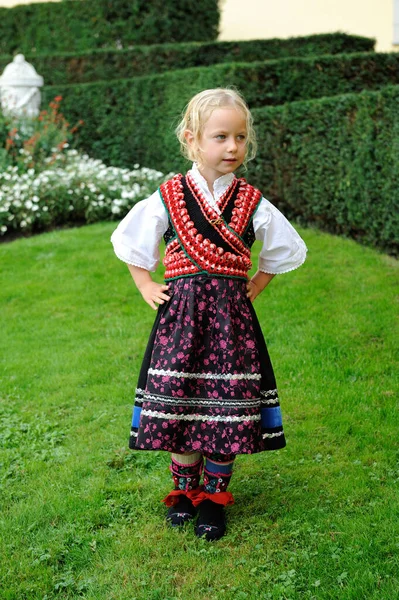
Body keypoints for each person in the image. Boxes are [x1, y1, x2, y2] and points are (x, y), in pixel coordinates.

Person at [111, 88, 307, 541]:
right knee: (181, 403)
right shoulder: (170, 196)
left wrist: (255, 284)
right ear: (192, 139)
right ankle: (183, 492)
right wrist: (144, 283)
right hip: (181, 322)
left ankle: (215, 500)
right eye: (221, 137)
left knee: (226, 410)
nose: (233, 147)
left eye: (240, 137)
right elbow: (133, 240)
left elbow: (282, 248)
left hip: (230, 326)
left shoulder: (250, 200)